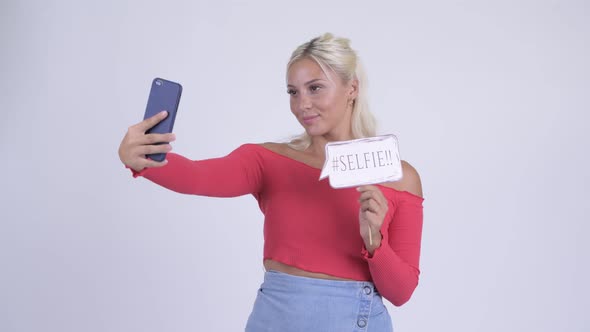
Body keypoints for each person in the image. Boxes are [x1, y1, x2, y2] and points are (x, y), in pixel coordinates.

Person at [118, 33, 424, 332]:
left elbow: (401, 292)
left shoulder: (399, 178)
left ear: (352, 88)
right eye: (293, 92)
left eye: (315, 88)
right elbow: (199, 177)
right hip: (274, 317)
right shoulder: (267, 161)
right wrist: (143, 159)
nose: (302, 104)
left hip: (356, 319)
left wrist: (376, 244)